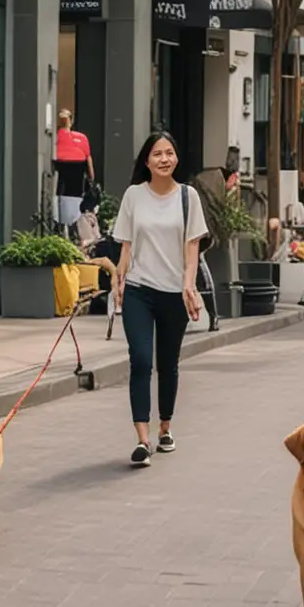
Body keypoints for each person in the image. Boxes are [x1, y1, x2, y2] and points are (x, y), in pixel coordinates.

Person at [112, 132, 206, 467]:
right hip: (139, 289)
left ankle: (165, 427)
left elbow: (191, 248)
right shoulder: (134, 196)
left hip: (174, 293)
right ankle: (142, 439)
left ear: (176, 158)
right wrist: (119, 278)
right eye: (157, 154)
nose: (164, 159)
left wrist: (188, 285)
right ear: (146, 161)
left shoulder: (188, 196)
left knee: (168, 364)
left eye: (169, 152)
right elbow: (125, 246)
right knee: (140, 359)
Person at [53, 109, 96, 232]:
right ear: (70, 121)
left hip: (60, 174)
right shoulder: (81, 138)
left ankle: (61, 226)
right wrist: (92, 178)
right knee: (73, 201)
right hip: (77, 176)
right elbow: (88, 159)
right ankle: (72, 227)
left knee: (60, 199)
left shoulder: (55, 137)